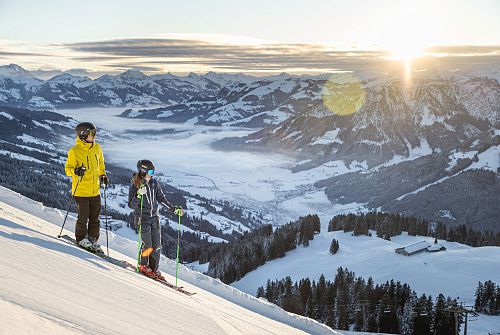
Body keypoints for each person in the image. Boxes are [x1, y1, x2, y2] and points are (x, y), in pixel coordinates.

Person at [128, 159, 183, 279]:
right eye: (151, 171)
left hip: (155, 218)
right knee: (148, 245)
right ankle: (143, 265)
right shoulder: (135, 184)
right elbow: (131, 205)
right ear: (143, 171)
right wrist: (138, 195)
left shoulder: (154, 183)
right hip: (143, 218)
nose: (152, 174)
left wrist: (173, 209)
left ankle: (153, 268)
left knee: (157, 246)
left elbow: (161, 198)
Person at [65, 122, 109, 252]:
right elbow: (68, 169)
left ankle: (93, 239)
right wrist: (76, 171)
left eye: (94, 133)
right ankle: (80, 238)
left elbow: (101, 164)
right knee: (83, 217)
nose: (94, 136)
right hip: (81, 191)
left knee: (95, 218)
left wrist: (103, 175)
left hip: (95, 190)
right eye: (92, 134)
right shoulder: (74, 151)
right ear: (83, 135)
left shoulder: (97, 148)